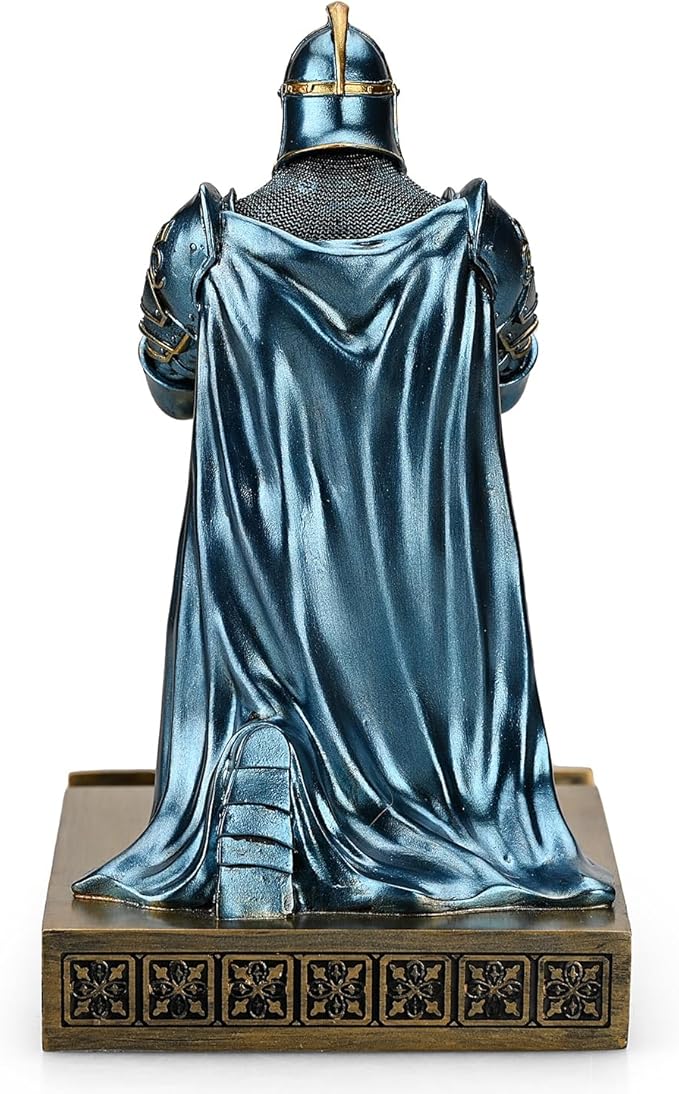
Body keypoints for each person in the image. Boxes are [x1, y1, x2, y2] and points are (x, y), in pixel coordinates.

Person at [73, 4, 614, 918]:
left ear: (288, 112)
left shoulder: (205, 241)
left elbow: (172, 389)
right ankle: (438, 807)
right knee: (444, 721)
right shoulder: (479, 240)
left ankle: (261, 768)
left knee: (257, 643)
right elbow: (506, 384)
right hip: (423, 606)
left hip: (264, 587)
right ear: (387, 111)